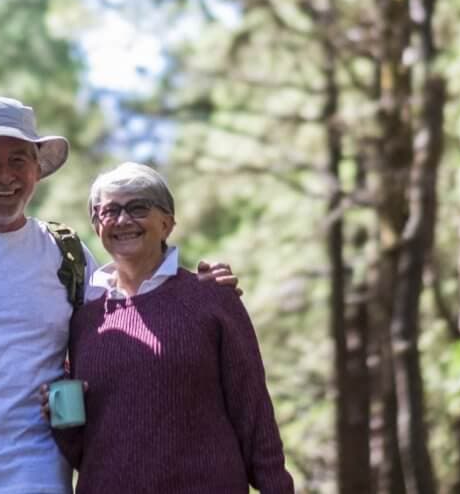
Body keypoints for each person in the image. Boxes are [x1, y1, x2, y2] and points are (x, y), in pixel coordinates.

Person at [0, 97, 237, 494]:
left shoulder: (65, 254)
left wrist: (197, 286)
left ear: (37, 169)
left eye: (18, 160)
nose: (5, 176)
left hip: (35, 479)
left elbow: (136, 303)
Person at [41, 162, 294, 493]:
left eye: (138, 207)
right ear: (97, 224)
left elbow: (254, 414)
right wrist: (61, 421)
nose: (122, 220)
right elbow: (89, 447)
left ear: (167, 223)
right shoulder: (85, 319)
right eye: (109, 211)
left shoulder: (211, 299)